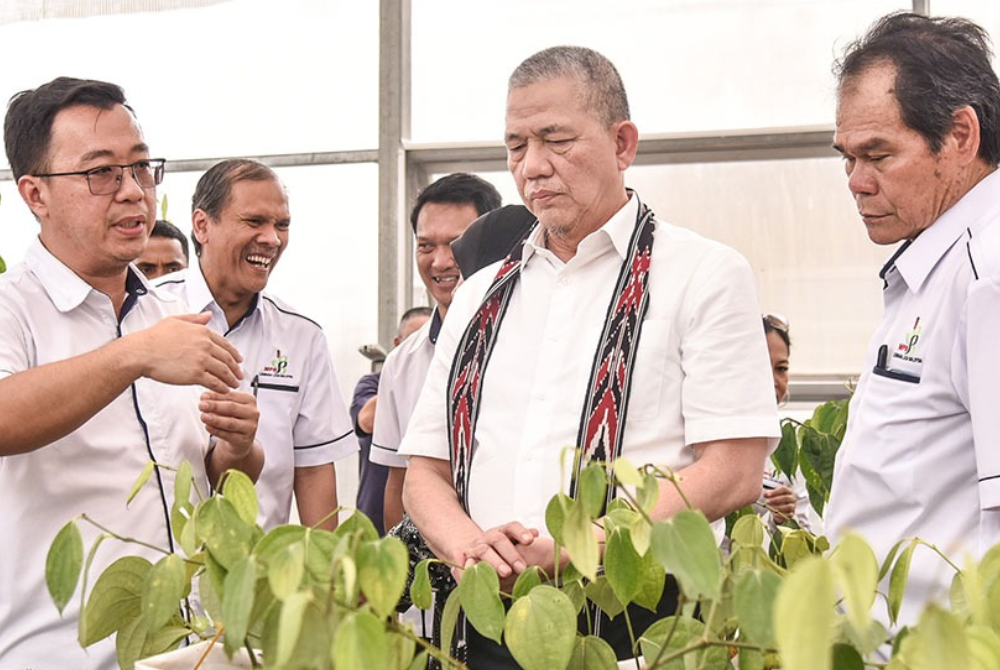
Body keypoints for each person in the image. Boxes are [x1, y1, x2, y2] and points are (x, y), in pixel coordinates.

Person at [399, 47, 778, 665]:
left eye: (556, 139)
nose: (533, 167)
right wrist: (473, 549)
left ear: (623, 143)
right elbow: (425, 473)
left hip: (638, 625)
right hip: (484, 621)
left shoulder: (702, 274)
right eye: (516, 145)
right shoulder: (478, 293)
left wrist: (577, 547)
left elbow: (733, 469)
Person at [0, 77, 263, 670]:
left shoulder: (176, 318)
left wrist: (238, 447)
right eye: (101, 173)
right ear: (34, 193)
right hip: (55, 654)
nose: (132, 193)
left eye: (142, 168)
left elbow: (215, 475)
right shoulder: (12, 308)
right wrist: (133, 355)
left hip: (191, 647)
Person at [825, 12, 1000, 627]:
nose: (856, 182)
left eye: (878, 154)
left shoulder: (988, 272)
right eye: (847, 158)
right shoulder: (938, 259)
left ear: (960, 135)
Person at [156, 159, 357, 530]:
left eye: (282, 225)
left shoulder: (301, 337)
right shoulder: (149, 315)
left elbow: (313, 472)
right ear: (202, 226)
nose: (272, 238)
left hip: (260, 577)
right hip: (161, 570)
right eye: (254, 222)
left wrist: (326, 581)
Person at [370, 173, 502, 533]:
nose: (441, 261)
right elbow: (396, 482)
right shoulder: (401, 363)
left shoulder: (531, 339)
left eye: (457, 243)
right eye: (426, 246)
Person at [352, 306, 431, 535]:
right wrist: (402, 378)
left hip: (426, 522)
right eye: (414, 339)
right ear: (398, 343)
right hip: (372, 522)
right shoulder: (371, 384)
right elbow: (366, 420)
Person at [757, 314, 811, 530]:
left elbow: (806, 547)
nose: (773, 381)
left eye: (781, 369)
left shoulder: (788, 446)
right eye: (761, 368)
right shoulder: (707, 433)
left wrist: (784, 519)